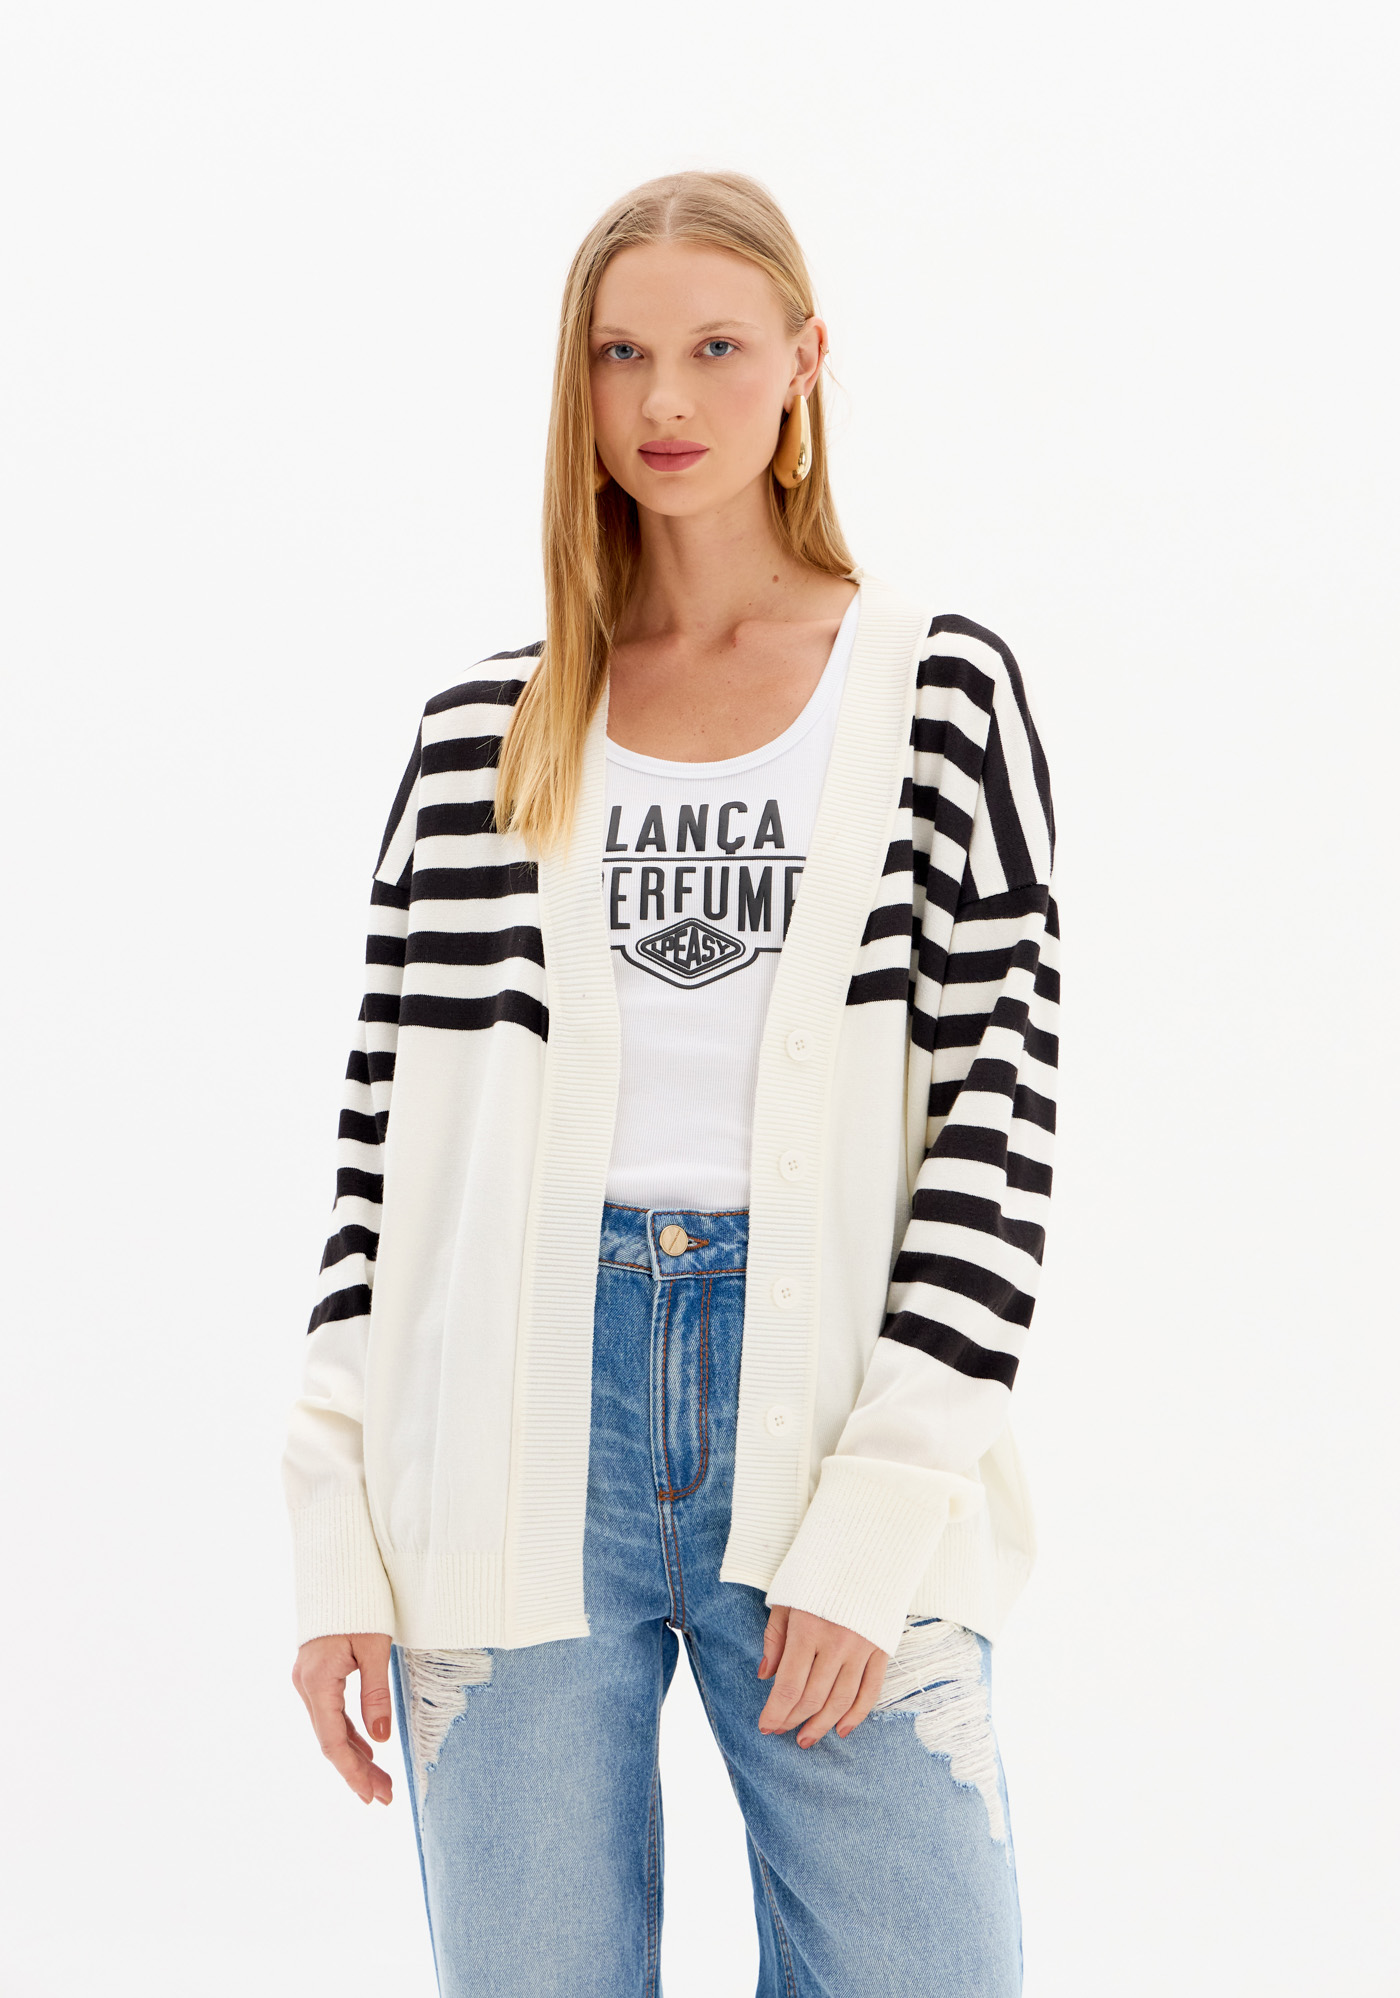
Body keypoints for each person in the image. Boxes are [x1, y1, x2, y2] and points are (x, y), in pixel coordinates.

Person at [283, 169, 1058, 1998]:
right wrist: (333, 1536)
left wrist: (879, 1512)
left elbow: (997, 1126)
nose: (666, 400)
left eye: (716, 348)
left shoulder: (935, 697)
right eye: (621, 354)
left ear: (804, 364)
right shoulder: (483, 733)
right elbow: (381, 1158)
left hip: (831, 1410)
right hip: (502, 1435)